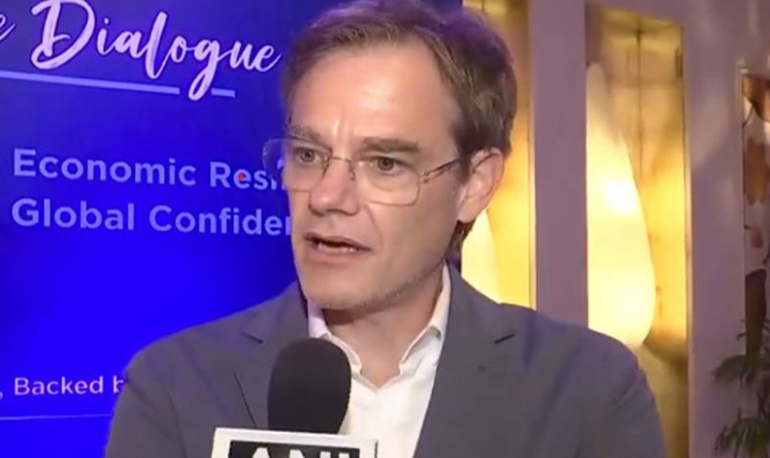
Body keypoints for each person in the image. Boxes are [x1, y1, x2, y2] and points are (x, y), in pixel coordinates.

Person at [104, 1, 666, 458]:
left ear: (474, 184)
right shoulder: (175, 387)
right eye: (308, 154)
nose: (326, 196)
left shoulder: (587, 393)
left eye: (385, 164)